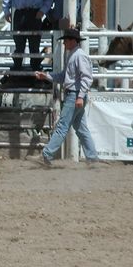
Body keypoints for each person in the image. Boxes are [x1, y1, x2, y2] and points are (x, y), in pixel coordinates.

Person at [34, 29, 100, 166]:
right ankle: (92, 158)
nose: (64, 43)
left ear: (72, 41)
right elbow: (65, 76)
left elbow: (86, 78)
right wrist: (46, 76)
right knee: (81, 128)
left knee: (62, 126)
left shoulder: (78, 56)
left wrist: (80, 96)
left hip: (74, 95)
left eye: (66, 40)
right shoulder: (74, 55)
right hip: (75, 95)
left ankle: (46, 155)